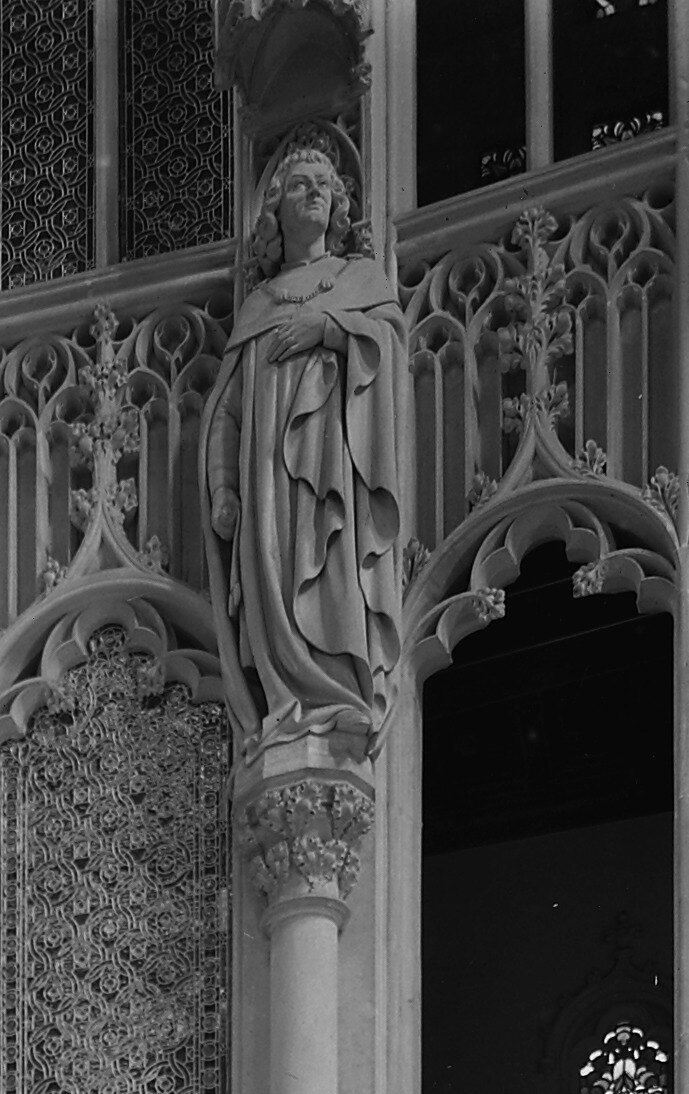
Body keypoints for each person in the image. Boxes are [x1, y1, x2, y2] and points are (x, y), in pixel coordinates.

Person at [203, 133, 407, 740]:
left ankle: (338, 689)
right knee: (276, 577)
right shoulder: (258, 306)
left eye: (324, 184)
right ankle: (289, 695)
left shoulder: (358, 278)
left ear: (339, 205)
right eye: (300, 184)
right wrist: (223, 487)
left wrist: (331, 329)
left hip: (335, 471)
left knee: (332, 564)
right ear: (276, 210)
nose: (315, 192)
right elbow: (227, 411)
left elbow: (390, 352)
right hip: (270, 487)